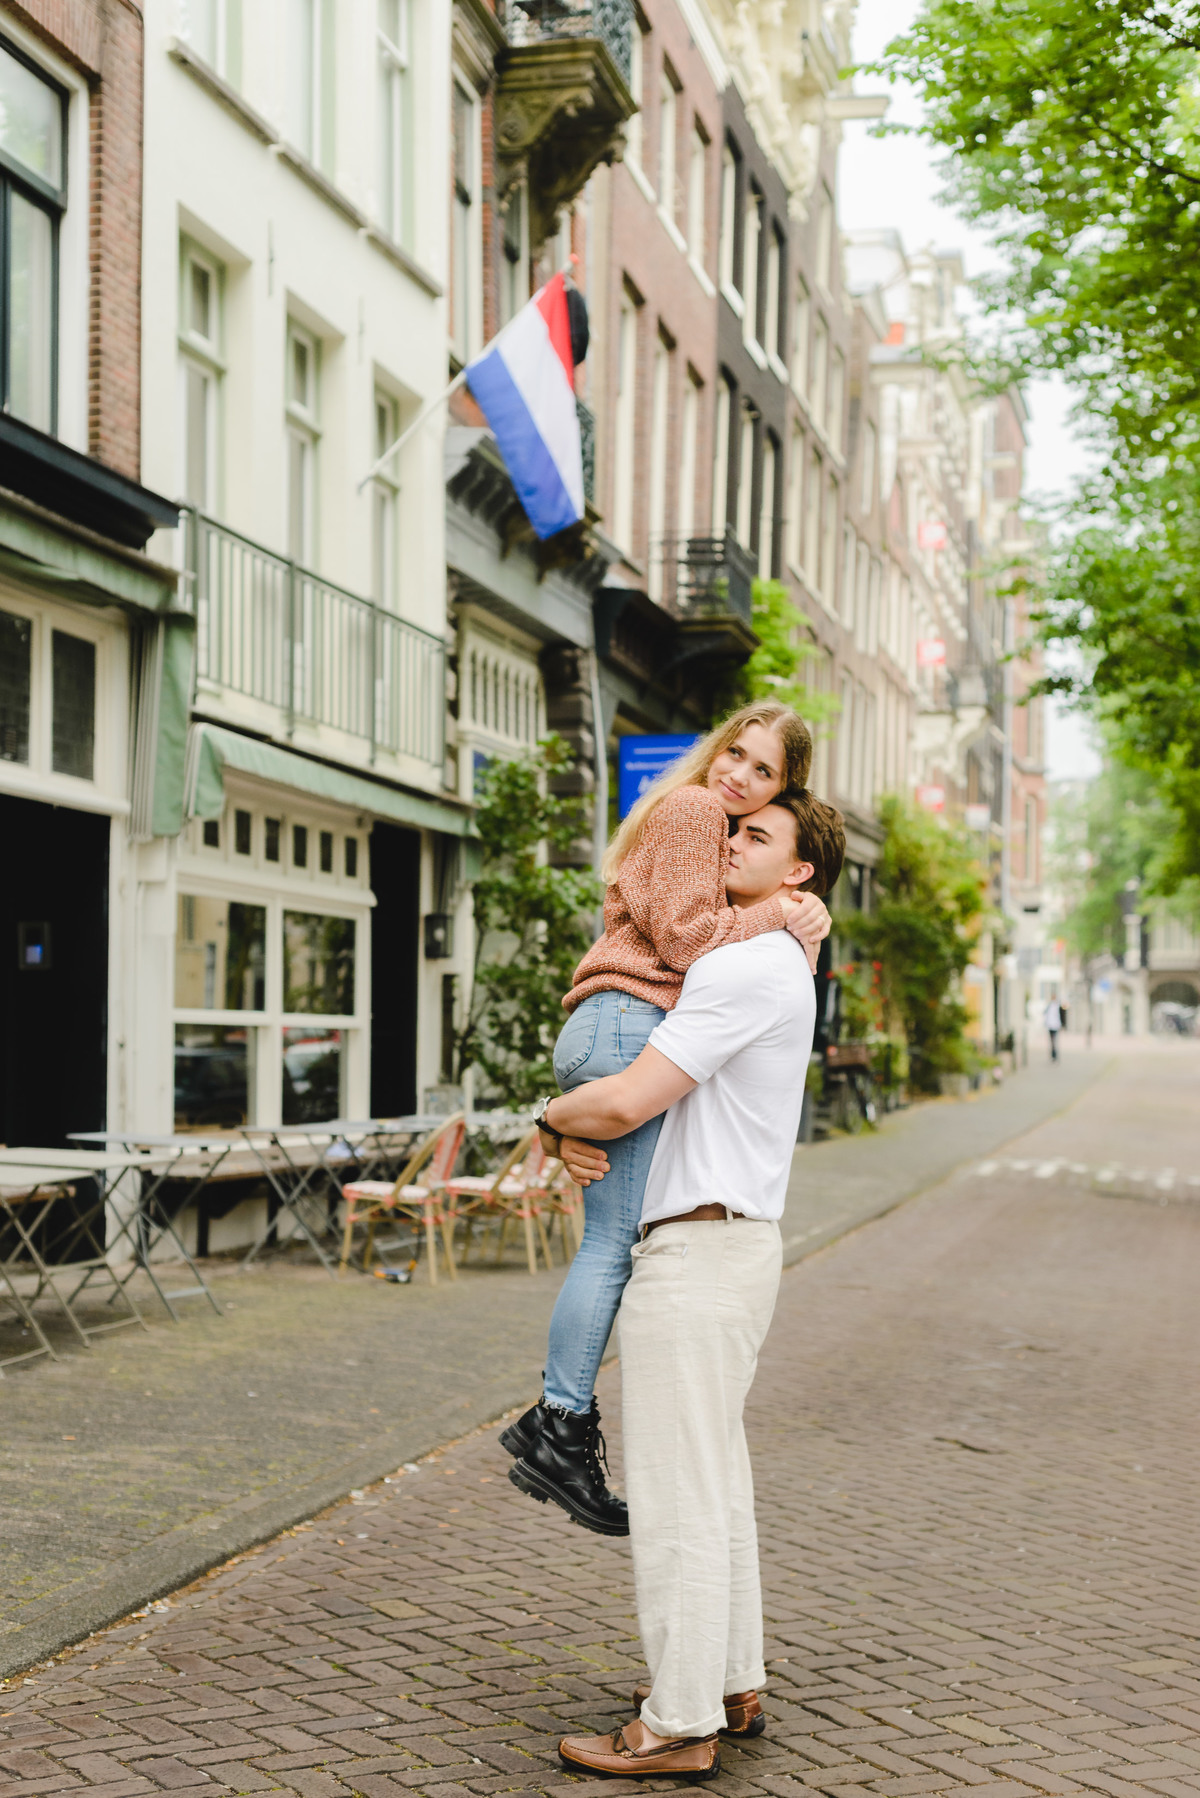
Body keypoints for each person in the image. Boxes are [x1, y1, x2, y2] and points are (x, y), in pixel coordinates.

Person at [528, 790, 845, 1779]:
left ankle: (677, 1722)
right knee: (719, 1483)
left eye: (754, 836)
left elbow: (627, 1098)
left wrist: (548, 1121)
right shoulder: (776, 962)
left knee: (678, 1498)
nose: (730, 840)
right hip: (729, 1244)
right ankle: (729, 1679)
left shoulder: (745, 968)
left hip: (695, 1254)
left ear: (797, 873)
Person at [500, 702, 831, 1535]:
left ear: (780, 792)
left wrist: (559, 1125)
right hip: (624, 1020)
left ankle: (560, 1420)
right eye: (737, 754)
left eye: (763, 773)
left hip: (609, 1023)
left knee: (607, 1236)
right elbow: (687, 944)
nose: (740, 777)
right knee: (613, 1243)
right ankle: (559, 1424)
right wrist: (784, 917)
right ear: (716, 747)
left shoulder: (697, 817)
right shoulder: (692, 809)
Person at [1044, 994, 1063, 1060]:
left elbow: (1060, 1016)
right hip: (1050, 1026)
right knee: (1052, 1041)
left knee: (1054, 1040)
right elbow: (1046, 1015)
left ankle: (1054, 1054)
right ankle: (1053, 1053)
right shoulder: (1049, 1006)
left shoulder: (1057, 1006)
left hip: (1055, 1026)